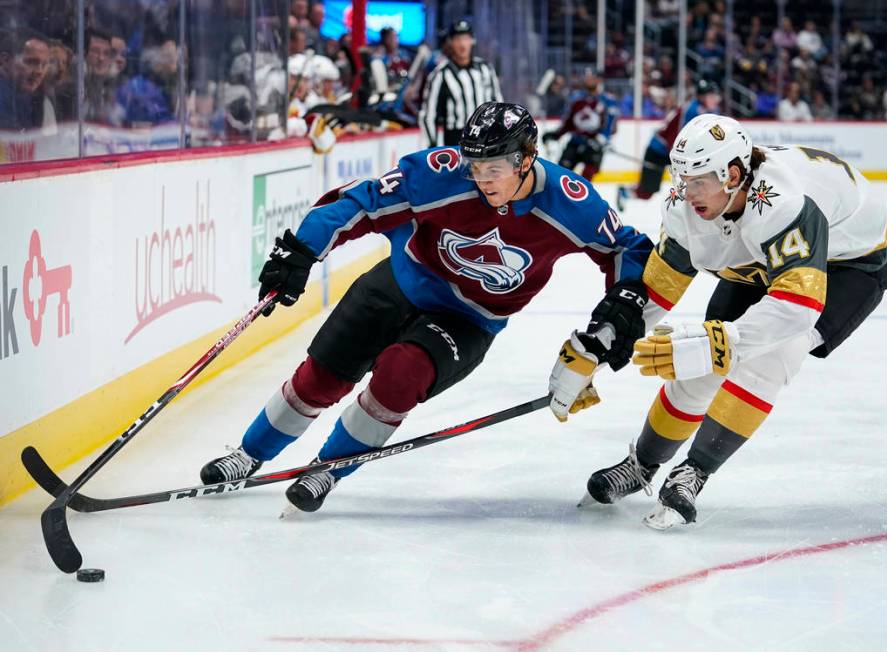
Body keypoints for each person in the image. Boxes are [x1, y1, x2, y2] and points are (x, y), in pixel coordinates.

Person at [199, 102, 653, 513]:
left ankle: (328, 468)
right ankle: (249, 455)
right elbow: (363, 201)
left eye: (495, 167)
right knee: (323, 375)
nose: (482, 178)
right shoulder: (442, 173)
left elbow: (626, 250)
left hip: (469, 319)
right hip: (401, 281)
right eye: (476, 166)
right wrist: (304, 248)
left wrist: (620, 310)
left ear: (526, 159)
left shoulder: (571, 203)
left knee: (400, 375)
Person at [578, 114, 887, 530]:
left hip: (848, 264)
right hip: (765, 255)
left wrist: (721, 340)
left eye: (697, 181)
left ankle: (695, 472)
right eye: (682, 178)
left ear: (732, 174)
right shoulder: (688, 201)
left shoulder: (784, 202)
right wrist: (598, 352)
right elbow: (658, 289)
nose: (685, 193)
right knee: (703, 363)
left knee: (771, 356)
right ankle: (641, 465)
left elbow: (798, 305)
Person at [616, 79, 720, 211]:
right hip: (658, 152)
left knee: (695, 184)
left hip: (670, 151)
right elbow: (679, 138)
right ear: (701, 97)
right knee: (647, 192)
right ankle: (625, 192)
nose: (715, 99)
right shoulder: (692, 110)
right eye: (712, 96)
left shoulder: (703, 110)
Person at [419, 20, 502, 147]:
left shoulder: (485, 68)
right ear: (451, 42)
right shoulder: (440, 74)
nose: (462, 44)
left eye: (466, 38)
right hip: (457, 139)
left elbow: (498, 104)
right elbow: (428, 116)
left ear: (472, 40)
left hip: (487, 136)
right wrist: (433, 147)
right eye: (458, 39)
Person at [542, 72, 619, 181]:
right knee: (560, 175)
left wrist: (599, 140)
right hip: (576, 142)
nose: (589, 79)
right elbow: (569, 122)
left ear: (598, 80)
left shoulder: (608, 101)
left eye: (592, 77)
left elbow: (611, 126)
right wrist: (556, 134)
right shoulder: (576, 98)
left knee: (585, 181)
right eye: (587, 77)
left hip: (594, 146)